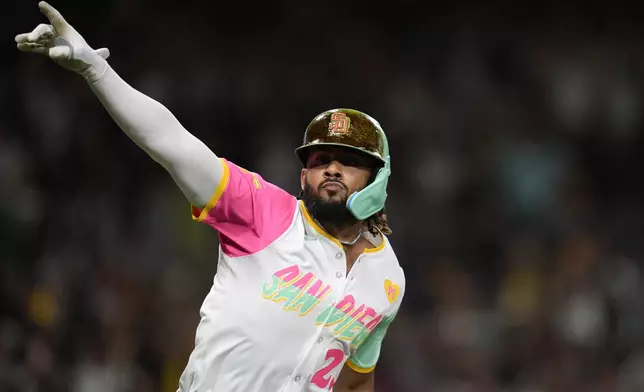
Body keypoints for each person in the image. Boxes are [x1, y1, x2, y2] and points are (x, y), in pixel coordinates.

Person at [15, 3, 406, 391]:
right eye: (321, 160)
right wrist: (95, 70)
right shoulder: (262, 211)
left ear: (378, 177)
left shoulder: (388, 276)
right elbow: (172, 142)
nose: (332, 170)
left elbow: (356, 380)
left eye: (350, 162)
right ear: (304, 174)